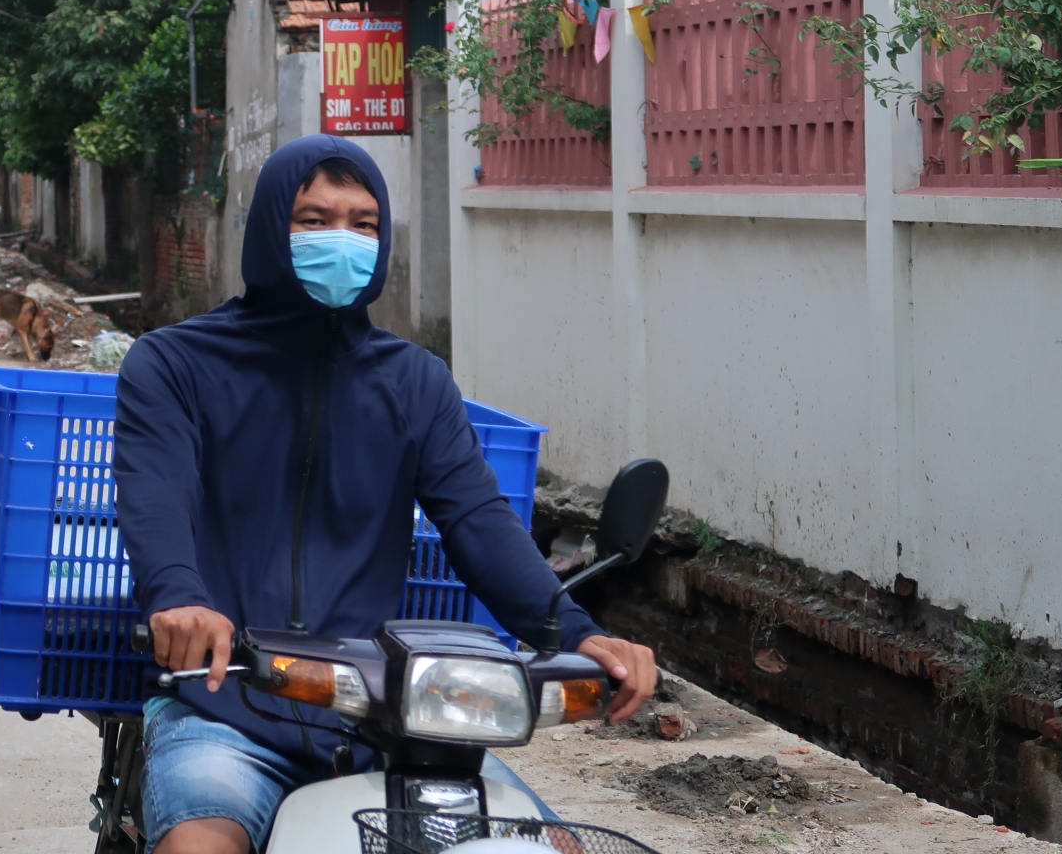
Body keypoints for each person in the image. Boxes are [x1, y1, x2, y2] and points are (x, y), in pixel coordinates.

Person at [114, 136, 658, 854]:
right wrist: (179, 597)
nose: (342, 239)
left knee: (555, 847)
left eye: (363, 223)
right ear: (271, 227)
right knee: (199, 847)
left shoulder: (415, 381)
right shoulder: (175, 363)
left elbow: (478, 519)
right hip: (223, 705)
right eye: (314, 220)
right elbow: (156, 493)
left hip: (382, 714)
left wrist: (579, 632)